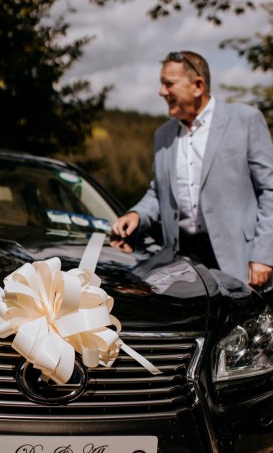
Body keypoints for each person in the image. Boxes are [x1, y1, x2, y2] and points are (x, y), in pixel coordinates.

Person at [111, 51, 273, 291]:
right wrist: (136, 214)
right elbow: (159, 192)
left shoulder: (246, 120)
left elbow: (270, 191)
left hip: (239, 262)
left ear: (198, 86)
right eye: (161, 84)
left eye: (169, 83)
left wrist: (263, 256)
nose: (161, 91)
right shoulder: (163, 135)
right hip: (180, 261)